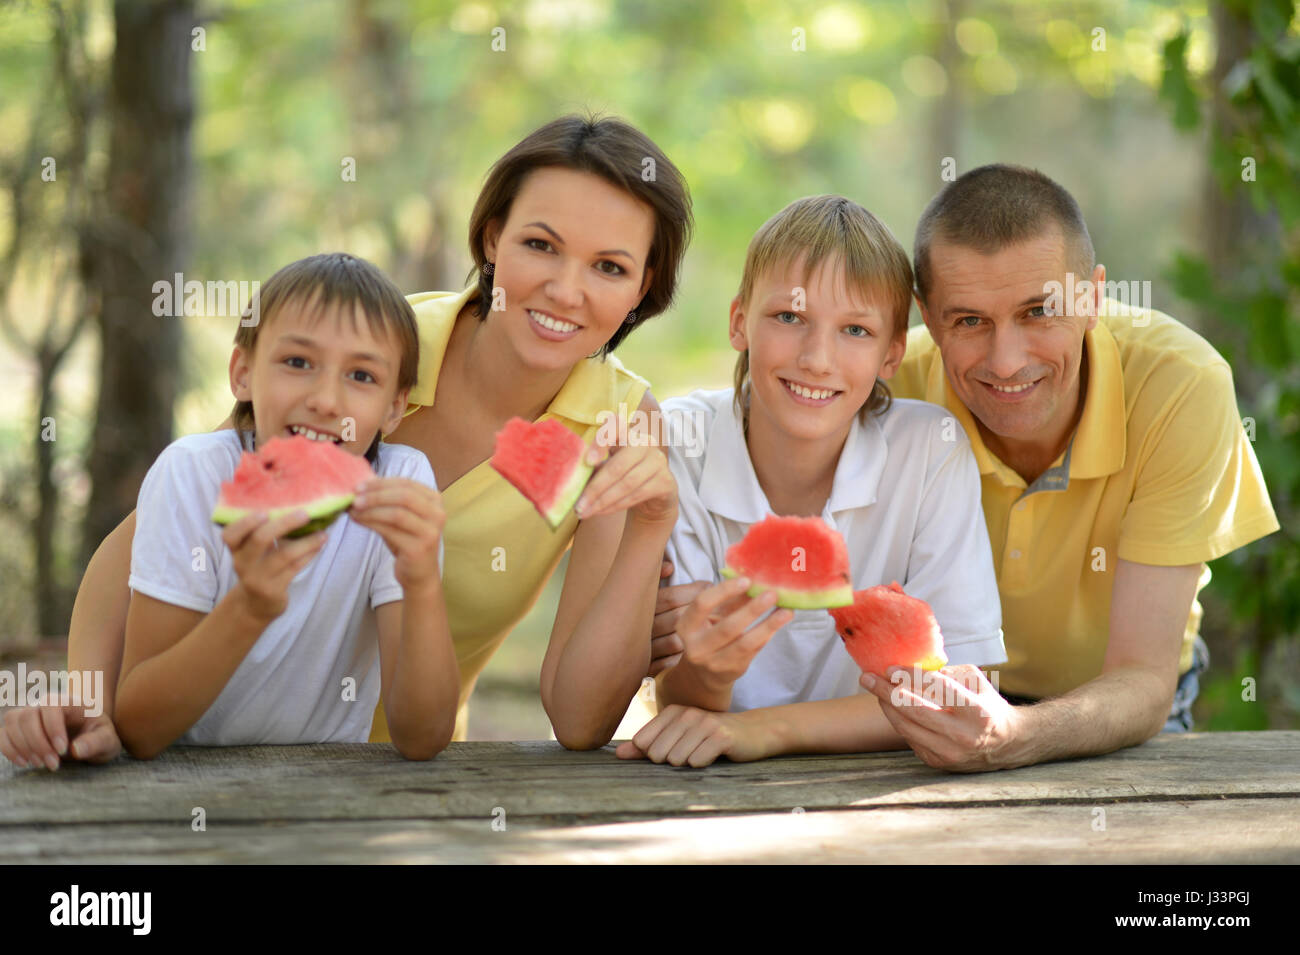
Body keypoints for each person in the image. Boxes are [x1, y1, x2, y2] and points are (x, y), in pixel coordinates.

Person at [1, 114, 690, 768]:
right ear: (490, 238)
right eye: (540, 245)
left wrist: (649, 531)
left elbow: (576, 719)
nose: (566, 289)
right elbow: (144, 533)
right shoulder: (373, 351)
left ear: (642, 288)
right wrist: (89, 700)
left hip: (402, 768)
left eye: (609, 267)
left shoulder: (620, 428)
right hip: (207, 732)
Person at [863, 163, 1280, 771]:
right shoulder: (887, 386)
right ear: (926, 315)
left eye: (1038, 312)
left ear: (1091, 299)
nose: (1007, 362)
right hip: (925, 704)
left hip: (1121, 711)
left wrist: (1014, 732)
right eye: (969, 320)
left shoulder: (1182, 385)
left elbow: (1142, 675)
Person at [7, 252, 459, 764]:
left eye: (361, 376)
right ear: (242, 373)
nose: (327, 400)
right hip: (177, 786)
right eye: (297, 363)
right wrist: (248, 609)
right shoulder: (192, 475)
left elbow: (422, 738)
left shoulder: (403, 484)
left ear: (395, 408)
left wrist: (420, 582)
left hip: (331, 794)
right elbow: (138, 727)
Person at [617, 196, 1006, 768]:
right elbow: (682, 698)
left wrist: (765, 731)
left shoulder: (929, 451)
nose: (817, 359)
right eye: (789, 318)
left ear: (892, 352)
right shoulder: (680, 443)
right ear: (737, 322)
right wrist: (704, 669)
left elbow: (955, 693)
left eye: (855, 329)